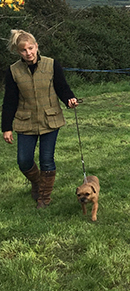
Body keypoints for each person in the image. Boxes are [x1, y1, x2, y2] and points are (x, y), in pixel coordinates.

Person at [2, 29, 78, 209]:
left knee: (47, 160)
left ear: (37, 46)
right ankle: (37, 182)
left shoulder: (52, 65)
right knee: (23, 161)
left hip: (50, 120)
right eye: (23, 50)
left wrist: (69, 100)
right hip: (25, 120)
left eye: (30, 48)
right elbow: (9, 101)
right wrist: (6, 127)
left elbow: (62, 87)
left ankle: (44, 197)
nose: (28, 53)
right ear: (17, 51)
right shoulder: (13, 71)